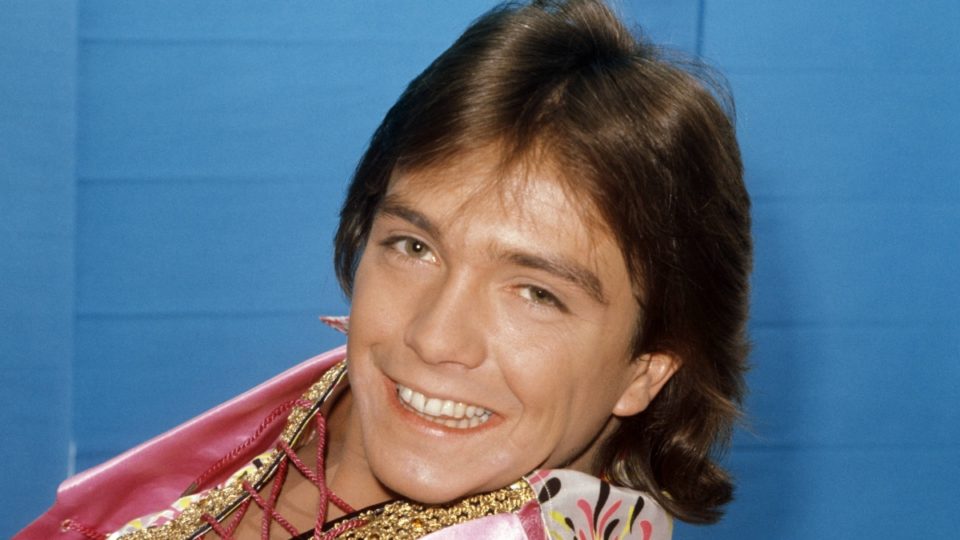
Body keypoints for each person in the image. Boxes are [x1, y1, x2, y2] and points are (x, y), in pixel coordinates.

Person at [18, 0, 751, 538]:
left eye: (536, 293)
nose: (434, 338)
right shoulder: (321, 405)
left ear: (644, 372)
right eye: (414, 247)